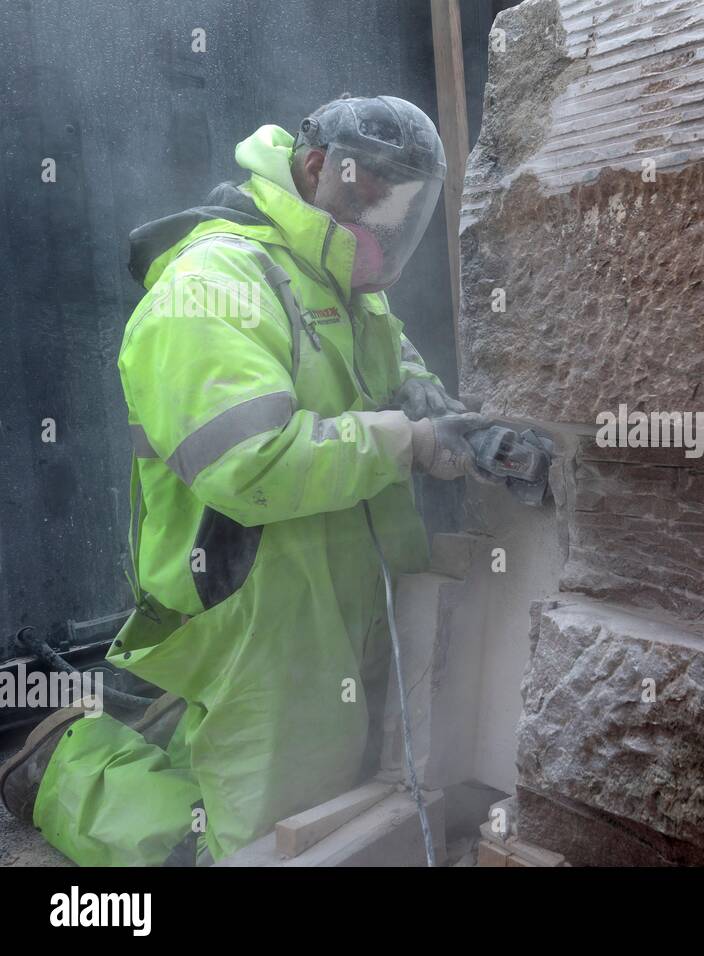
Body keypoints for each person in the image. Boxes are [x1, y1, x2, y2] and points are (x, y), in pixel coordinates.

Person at [0, 94, 487, 865]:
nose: (389, 225)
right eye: (375, 195)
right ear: (318, 166)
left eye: (407, 203)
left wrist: (421, 393)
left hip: (345, 592)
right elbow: (248, 464)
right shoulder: (212, 282)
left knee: (327, 795)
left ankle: (146, 739)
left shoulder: (343, 284)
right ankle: (67, 770)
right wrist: (407, 441)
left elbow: (381, 368)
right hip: (254, 612)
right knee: (246, 846)